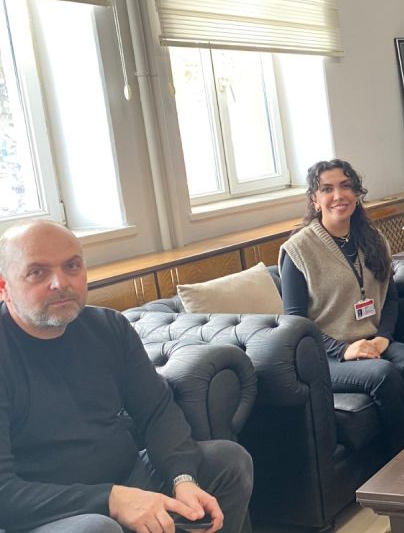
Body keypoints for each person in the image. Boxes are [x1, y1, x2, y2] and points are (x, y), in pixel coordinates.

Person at [0, 221, 252, 533]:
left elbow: (157, 411)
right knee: (96, 528)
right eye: (37, 272)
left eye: (72, 266)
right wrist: (110, 500)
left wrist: (182, 477)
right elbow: (5, 494)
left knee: (228, 462)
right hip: (46, 511)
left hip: (128, 478)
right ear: (4, 286)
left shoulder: (108, 327)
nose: (60, 282)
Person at [280, 159, 404, 452]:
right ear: (314, 200)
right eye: (327, 189)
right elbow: (296, 326)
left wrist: (384, 337)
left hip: (371, 340)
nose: (338, 195)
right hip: (324, 356)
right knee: (383, 375)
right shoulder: (298, 250)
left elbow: (389, 296)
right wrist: (342, 350)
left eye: (346, 186)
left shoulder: (372, 238)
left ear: (356, 193)